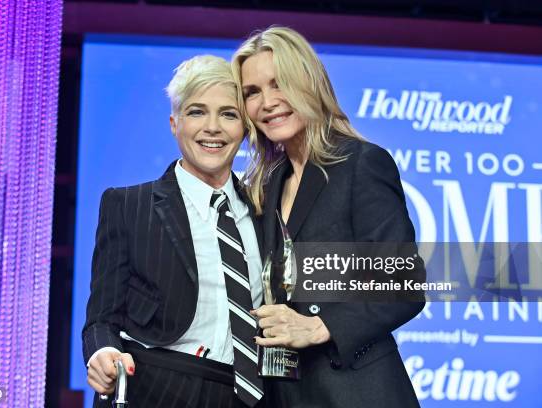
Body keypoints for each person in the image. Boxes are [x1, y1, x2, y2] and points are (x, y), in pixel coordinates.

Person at [231, 27, 425, 407]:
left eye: (279, 83)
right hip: (287, 394)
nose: (267, 102)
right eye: (252, 92)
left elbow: (403, 284)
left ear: (309, 83)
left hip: (357, 392)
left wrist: (318, 327)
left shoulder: (361, 163)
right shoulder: (266, 184)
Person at [83, 55, 266, 407]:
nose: (212, 127)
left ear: (245, 127)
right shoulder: (127, 206)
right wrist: (103, 352)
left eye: (228, 114)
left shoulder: (266, 209)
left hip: (246, 396)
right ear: (174, 122)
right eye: (197, 112)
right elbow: (101, 319)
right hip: (153, 387)